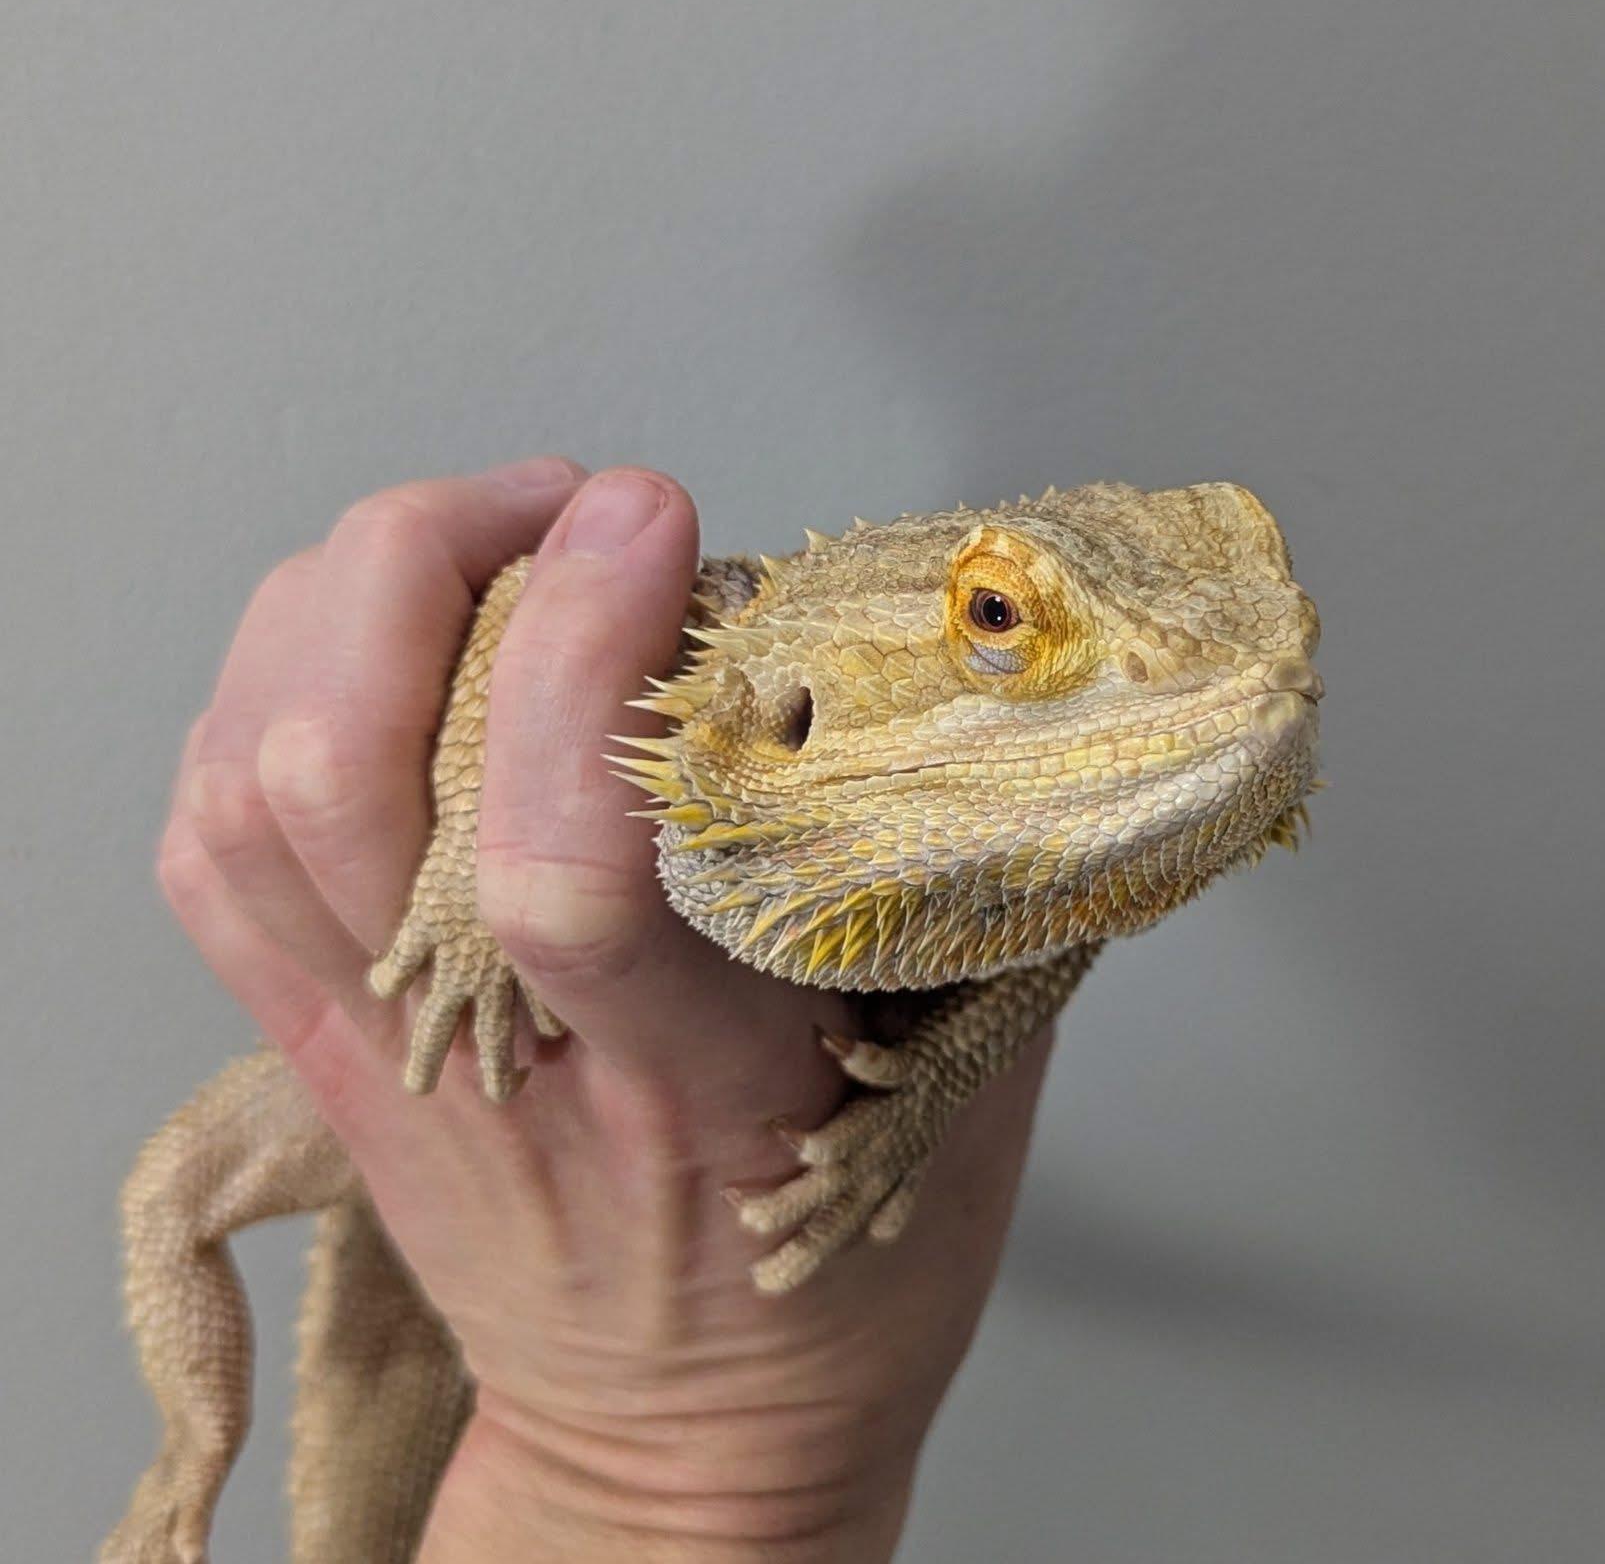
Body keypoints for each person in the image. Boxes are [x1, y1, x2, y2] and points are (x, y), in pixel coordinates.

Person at [162, 457, 1057, 1561]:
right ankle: (186, 1460)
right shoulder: (732, 631)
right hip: (451, 1014)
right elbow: (511, 610)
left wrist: (926, 1095)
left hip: (523, 1119)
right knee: (167, 1199)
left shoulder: (1022, 843)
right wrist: (455, 886)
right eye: (1001, 619)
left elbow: (1054, 944)